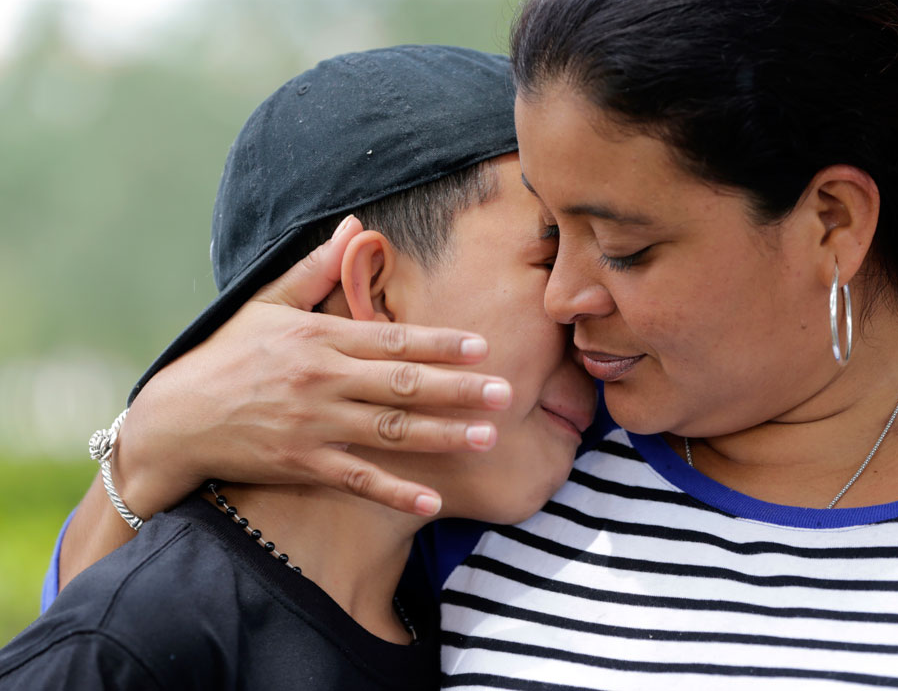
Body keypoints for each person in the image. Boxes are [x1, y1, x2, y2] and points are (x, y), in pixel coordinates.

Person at [46, 0, 898, 688]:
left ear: (830, 220)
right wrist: (150, 445)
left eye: (624, 246)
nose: (567, 297)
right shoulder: (524, 458)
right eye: (549, 237)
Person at [0, 45, 595, 690]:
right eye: (551, 252)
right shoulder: (137, 643)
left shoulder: (426, 600)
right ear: (378, 289)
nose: (584, 301)